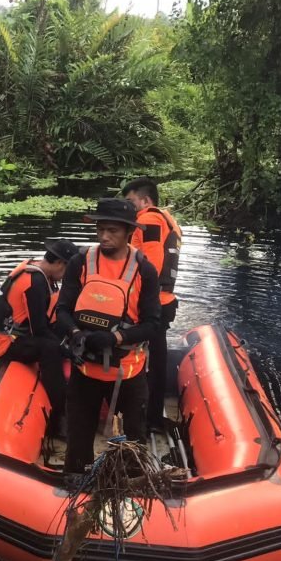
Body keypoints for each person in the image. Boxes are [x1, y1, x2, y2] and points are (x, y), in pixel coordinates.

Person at [55, 199, 160, 473]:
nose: (104, 236)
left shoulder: (144, 271)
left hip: (127, 374)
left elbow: (152, 325)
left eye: (112, 230)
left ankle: (132, 485)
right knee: (78, 440)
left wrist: (116, 339)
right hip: (85, 372)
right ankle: (77, 483)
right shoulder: (80, 263)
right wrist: (76, 333)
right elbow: (63, 309)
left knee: (133, 442)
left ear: (128, 232)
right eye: (100, 229)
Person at [0, 239, 79, 435]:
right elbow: (39, 330)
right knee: (50, 349)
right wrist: (65, 350)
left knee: (64, 329)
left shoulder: (39, 271)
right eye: (68, 270)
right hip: (10, 344)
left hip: (26, 334)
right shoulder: (35, 282)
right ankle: (59, 417)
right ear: (61, 264)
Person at [122, 178, 182, 431]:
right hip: (163, 300)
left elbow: (151, 265)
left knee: (149, 360)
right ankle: (154, 415)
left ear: (145, 200)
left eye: (130, 202)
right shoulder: (166, 218)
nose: (129, 208)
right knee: (156, 358)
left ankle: (150, 417)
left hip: (151, 303)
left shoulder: (148, 220)